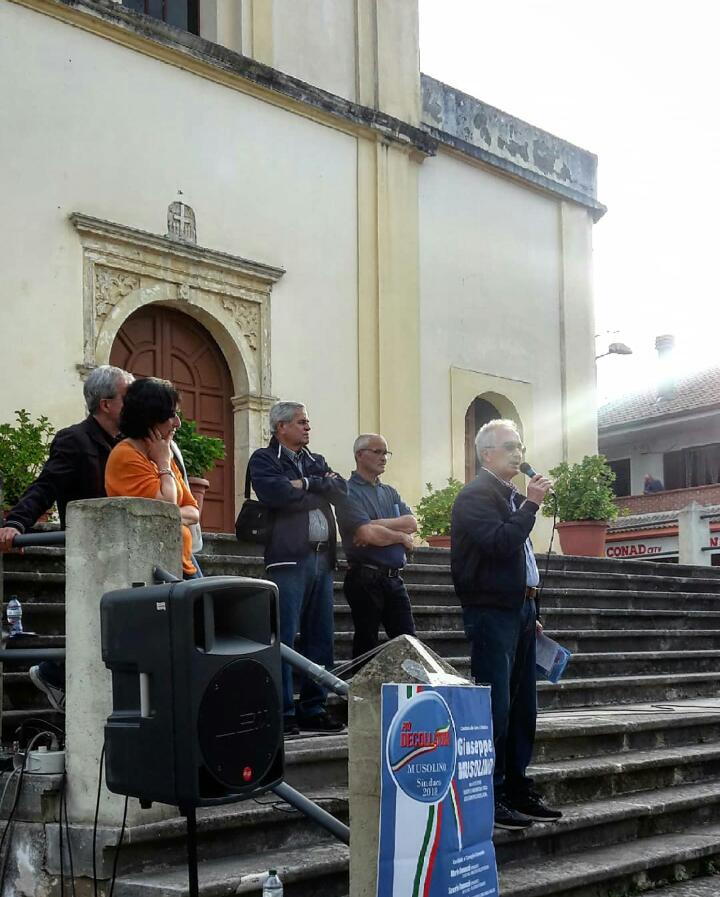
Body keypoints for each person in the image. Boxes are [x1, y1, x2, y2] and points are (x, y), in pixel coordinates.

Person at [0, 364, 134, 712]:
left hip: (126, 550)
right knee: (95, 625)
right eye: (127, 396)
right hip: (89, 553)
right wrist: (16, 522)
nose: (133, 403)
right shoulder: (75, 439)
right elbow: (46, 486)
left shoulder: (129, 443)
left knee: (118, 628)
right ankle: (51, 672)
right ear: (106, 404)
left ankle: (59, 675)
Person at [451, 419, 561, 831]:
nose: (520, 453)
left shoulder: (509, 496)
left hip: (521, 610)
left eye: (521, 446)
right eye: (511, 447)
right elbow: (499, 544)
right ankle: (491, 794)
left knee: (522, 709)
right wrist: (532, 505)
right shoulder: (475, 496)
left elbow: (524, 559)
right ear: (486, 454)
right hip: (491, 611)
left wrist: (535, 607)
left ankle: (517, 786)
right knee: (496, 707)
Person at [249, 401, 347, 735]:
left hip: (322, 559)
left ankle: (314, 706)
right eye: (302, 422)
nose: (308, 427)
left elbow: (341, 490)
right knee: (285, 635)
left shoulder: (314, 460)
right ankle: (283, 711)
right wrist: (319, 487)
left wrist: (304, 485)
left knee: (321, 638)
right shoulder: (264, 460)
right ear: (281, 427)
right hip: (288, 560)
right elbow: (275, 495)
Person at [105, 378, 200, 580]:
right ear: (150, 418)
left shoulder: (160, 451)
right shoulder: (127, 456)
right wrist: (164, 466)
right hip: (152, 568)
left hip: (183, 562)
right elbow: (166, 506)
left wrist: (168, 515)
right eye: (171, 415)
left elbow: (193, 511)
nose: (178, 423)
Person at [336, 433, 417, 659]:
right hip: (365, 576)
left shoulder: (389, 492)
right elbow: (366, 534)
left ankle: (408, 692)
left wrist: (373, 523)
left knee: (409, 643)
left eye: (386, 453)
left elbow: (411, 522)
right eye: (377, 452)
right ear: (359, 455)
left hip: (394, 578)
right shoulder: (347, 491)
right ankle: (360, 693)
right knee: (367, 644)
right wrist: (400, 537)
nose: (383, 458)